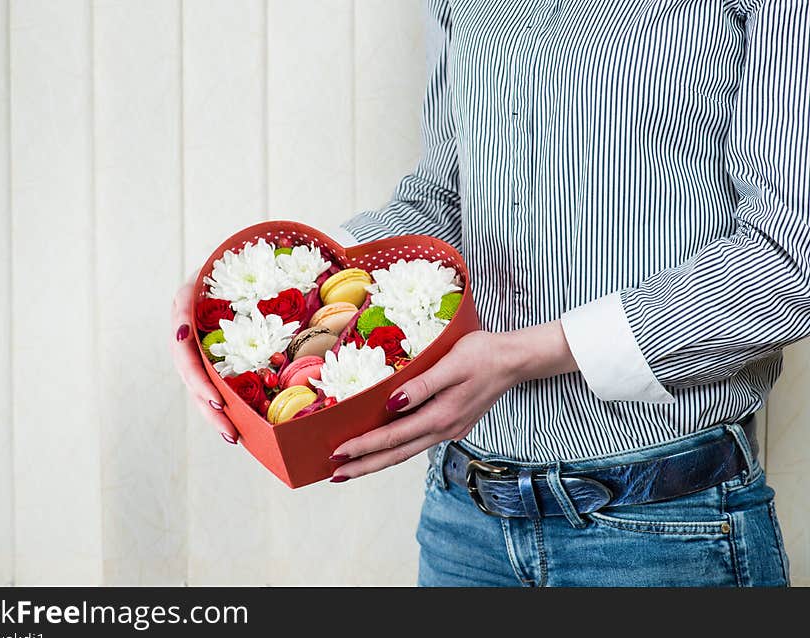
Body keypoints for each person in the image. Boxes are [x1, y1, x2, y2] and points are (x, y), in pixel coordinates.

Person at [172, 0, 806, 586]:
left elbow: (787, 265)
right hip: (463, 523)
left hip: (666, 531)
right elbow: (442, 198)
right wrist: (259, 292)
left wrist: (522, 355)